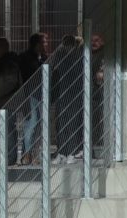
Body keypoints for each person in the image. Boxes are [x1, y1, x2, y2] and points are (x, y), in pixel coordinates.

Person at [51, 35, 83, 164]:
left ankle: (69, 153)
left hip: (71, 95)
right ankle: (64, 152)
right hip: (65, 95)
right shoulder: (63, 57)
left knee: (69, 124)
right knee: (64, 124)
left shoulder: (76, 57)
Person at [19, 32, 50, 164]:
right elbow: (32, 74)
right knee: (31, 123)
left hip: (41, 95)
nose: (46, 45)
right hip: (29, 94)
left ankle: (34, 154)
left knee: (39, 125)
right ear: (37, 44)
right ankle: (27, 154)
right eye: (43, 42)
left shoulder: (43, 57)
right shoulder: (26, 58)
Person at [0, 38, 22, 165]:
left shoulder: (8, 62)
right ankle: (6, 157)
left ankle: (10, 158)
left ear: (3, 47)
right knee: (4, 131)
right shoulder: (4, 61)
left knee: (7, 130)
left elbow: (11, 82)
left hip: (7, 102)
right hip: (3, 102)